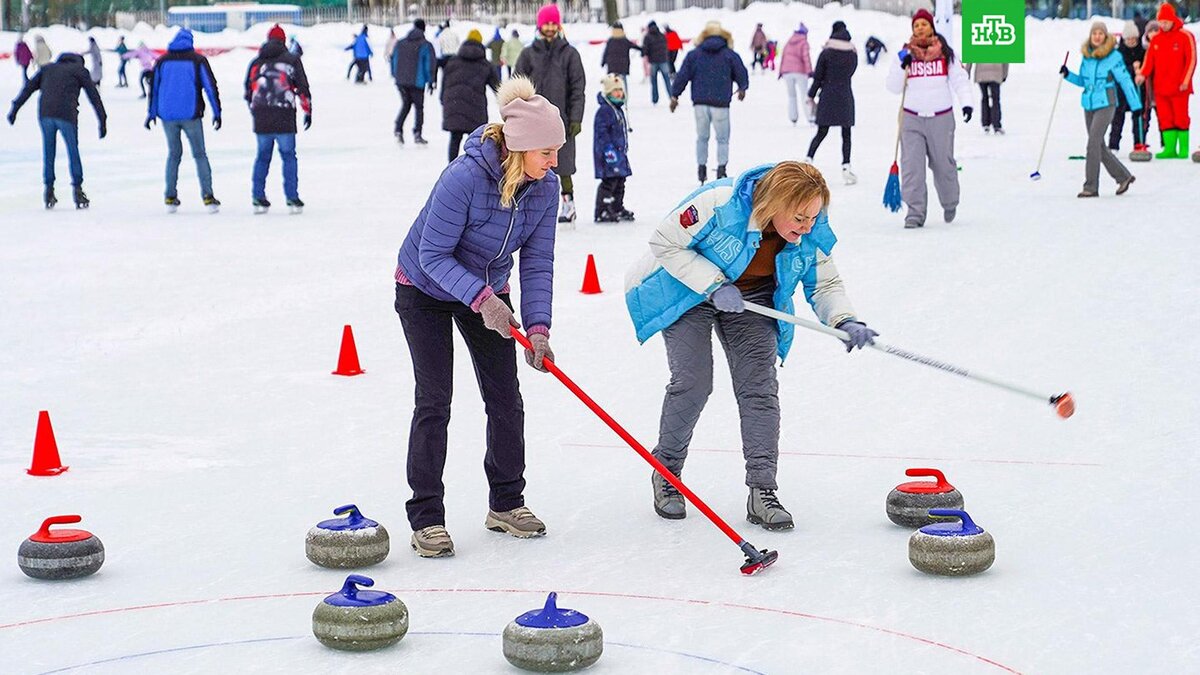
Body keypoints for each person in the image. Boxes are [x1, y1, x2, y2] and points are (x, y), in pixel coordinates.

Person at [623, 161, 876, 531]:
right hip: (687, 290)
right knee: (693, 382)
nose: (807, 227)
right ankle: (667, 472)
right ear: (776, 203)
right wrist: (713, 283)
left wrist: (844, 319)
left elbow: (824, 284)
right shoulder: (720, 202)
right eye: (800, 218)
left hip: (752, 299)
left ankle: (762, 491)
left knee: (759, 388)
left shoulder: (810, 229)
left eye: (812, 218)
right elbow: (664, 242)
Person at [393, 76, 564, 558]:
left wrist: (538, 328)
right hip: (424, 287)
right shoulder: (463, 177)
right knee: (435, 400)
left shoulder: (545, 189)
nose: (555, 163)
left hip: (490, 288)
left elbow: (538, 260)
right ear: (522, 147)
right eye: (547, 152)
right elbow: (432, 255)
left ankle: (507, 502)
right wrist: (484, 300)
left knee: (505, 397)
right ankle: (427, 516)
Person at [886, 9, 973, 229]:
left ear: (931, 26)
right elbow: (893, 87)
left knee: (943, 165)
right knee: (912, 167)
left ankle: (950, 202)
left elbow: (960, 80)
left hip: (941, 117)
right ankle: (915, 213)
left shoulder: (945, 53)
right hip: (912, 118)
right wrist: (899, 64)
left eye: (924, 24)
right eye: (916, 25)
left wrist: (967, 102)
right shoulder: (906, 54)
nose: (920, 28)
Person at [7, 52, 107, 209]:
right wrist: (102, 119)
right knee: (73, 151)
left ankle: (48, 190)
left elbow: (28, 88)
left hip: (45, 114)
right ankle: (77, 190)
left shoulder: (48, 69)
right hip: (66, 115)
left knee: (49, 152)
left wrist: (15, 109)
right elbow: (94, 96)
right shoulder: (80, 71)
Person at [515, 3, 586, 225]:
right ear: (539, 25)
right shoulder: (528, 54)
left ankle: (568, 204)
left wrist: (575, 118)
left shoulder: (569, 54)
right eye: (546, 23)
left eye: (553, 23)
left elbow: (577, 89)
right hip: (533, 123)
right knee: (531, 166)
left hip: (561, 121)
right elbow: (517, 88)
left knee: (563, 166)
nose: (550, 27)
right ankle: (528, 207)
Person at [146, 28, 223, 212]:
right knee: (199, 154)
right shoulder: (197, 60)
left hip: (167, 115)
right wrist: (217, 112)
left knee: (174, 154)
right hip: (191, 114)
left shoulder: (162, 61)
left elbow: (154, 88)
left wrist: (151, 113)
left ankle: (170, 196)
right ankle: (208, 196)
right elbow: (210, 87)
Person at [1062, 22, 1140, 198]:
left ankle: (1090, 186)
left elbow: (1126, 81)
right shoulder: (1087, 57)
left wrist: (1135, 105)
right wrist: (1068, 75)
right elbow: (1083, 81)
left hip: (1107, 103)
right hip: (1089, 104)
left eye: (1100, 33)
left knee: (1092, 144)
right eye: (1094, 33)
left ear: (1105, 36)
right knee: (1099, 146)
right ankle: (1124, 177)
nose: (1097, 36)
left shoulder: (1114, 57)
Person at [669, 21, 749, 184]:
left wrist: (675, 95)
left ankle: (701, 169)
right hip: (721, 103)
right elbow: (741, 73)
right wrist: (742, 88)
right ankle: (721, 169)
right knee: (722, 138)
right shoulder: (729, 54)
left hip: (700, 103)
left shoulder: (694, 55)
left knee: (702, 137)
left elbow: (682, 76)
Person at [244, 24, 312, 213]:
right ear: (283, 41)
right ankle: (292, 197)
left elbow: (248, 90)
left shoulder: (256, 63)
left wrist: (255, 110)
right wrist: (308, 111)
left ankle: (258, 196)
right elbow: (303, 87)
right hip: (284, 116)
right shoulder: (292, 60)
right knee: (289, 156)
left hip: (262, 116)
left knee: (262, 157)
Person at [1136, 2, 1195, 159]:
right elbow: (1149, 61)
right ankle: (1169, 148)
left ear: (1172, 20)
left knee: (1181, 117)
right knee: (1165, 118)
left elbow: (1191, 60)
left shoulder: (1185, 36)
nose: (1163, 24)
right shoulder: (1156, 40)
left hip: (1180, 87)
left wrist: (1186, 80)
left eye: (1166, 21)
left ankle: (1183, 148)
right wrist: (1142, 74)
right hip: (1161, 88)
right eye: (1161, 21)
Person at [805, 21, 858, 185]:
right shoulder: (852, 52)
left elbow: (818, 76)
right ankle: (846, 166)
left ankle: (808, 159)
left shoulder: (826, 52)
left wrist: (811, 95)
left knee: (822, 131)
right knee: (846, 133)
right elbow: (851, 71)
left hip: (828, 95)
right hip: (845, 95)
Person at [441, 28, 500, 162]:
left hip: (454, 106)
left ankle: (451, 168)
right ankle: (475, 171)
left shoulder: (453, 61)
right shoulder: (485, 65)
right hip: (475, 108)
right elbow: (498, 88)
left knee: (455, 138)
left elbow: (445, 84)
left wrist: (444, 102)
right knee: (476, 142)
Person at [593, 74, 632, 222]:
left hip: (619, 153)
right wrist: (608, 150)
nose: (619, 93)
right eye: (615, 91)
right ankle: (602, 209)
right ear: (609, 92)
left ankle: (616, 206)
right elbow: (601, 133)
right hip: (608, 154)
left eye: (620, 90)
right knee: (609, 182)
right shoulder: (605, 111)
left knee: (620, 181)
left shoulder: (617, 109)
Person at [391, 18, 436, 145]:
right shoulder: (425, 45)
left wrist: (396, 76)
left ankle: (398, 129)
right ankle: (417, 133)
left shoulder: (400, 43)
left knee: (406, 105)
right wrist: (431, 80)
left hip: (402, 81)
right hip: (417, 82)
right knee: (419, 108)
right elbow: (429, 64)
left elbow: (394, 59)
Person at [1110, 20, 1146, 151]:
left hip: (1138, 89)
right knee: (1118, 117)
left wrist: (1141, 70)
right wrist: (1132, 68)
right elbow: (1117, 70)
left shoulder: (1142, 51)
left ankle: (1139, 142)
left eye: (1133, 38)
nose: (1131, 41)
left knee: (1138, 117)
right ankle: (1113, 145)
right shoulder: (1118, 53)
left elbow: (1148, 66)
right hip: (1122, 90)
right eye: (1128, 39)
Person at [778, 22, 813, 125]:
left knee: (791, 96)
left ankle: (793, 117)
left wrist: (781, 71)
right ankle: (810, 117)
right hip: (800, 72)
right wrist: (809, 71)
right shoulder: (804, 42)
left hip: (787, 72)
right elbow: (806, 58)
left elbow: (783, 57)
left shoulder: (789, 42)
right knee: (804, 95)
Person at [965, 61, 1008, 134]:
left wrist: (967, 72)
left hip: (981, 74)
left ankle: (985, 124)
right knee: (995, 99)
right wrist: (1004, 75)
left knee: (984, 98)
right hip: (996, 73)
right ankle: (996, 124)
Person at [601, 21, 641, 93]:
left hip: (612, 65)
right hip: (623, 65)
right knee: (623, 82)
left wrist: (603, 62)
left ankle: (614, 99)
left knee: (613, 83)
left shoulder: (610, 41)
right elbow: (635, 46)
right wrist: (643, 49)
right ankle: (624, 98)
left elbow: (606, 52)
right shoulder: (625, 40)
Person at [643, 20, 671, 105]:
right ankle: (672, 96)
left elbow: (645, 49)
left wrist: (644, 53)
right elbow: (666, 46)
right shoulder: (662, 35)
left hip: (653, 61)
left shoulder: (647, 37)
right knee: (667, 79)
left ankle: (655, 99)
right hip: (663, 60)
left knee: (654, 81)